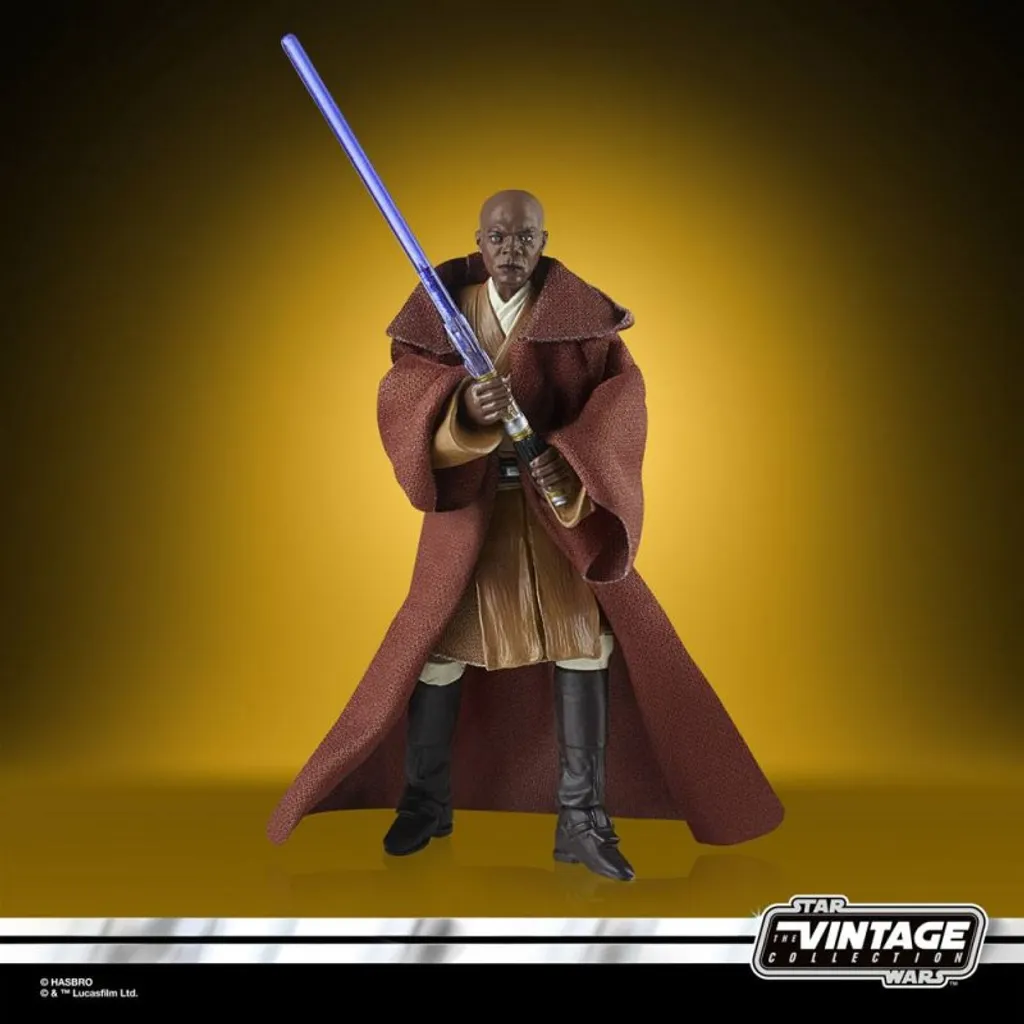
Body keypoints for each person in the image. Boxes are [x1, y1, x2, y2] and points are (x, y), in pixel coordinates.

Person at [266, 190, 784, 881]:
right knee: (437, 654)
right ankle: (425, 802)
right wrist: (460, 409)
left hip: (551, 518)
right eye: (499, 237)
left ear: (543, 242)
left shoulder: (579, 322)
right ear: (479, 241)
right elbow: (403, 392)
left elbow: (622, 403)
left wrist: (573, 460)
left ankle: (582, 820)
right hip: (471, 521)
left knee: (583, 648)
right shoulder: (445, 315)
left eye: (525, 238)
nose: (511, 250)